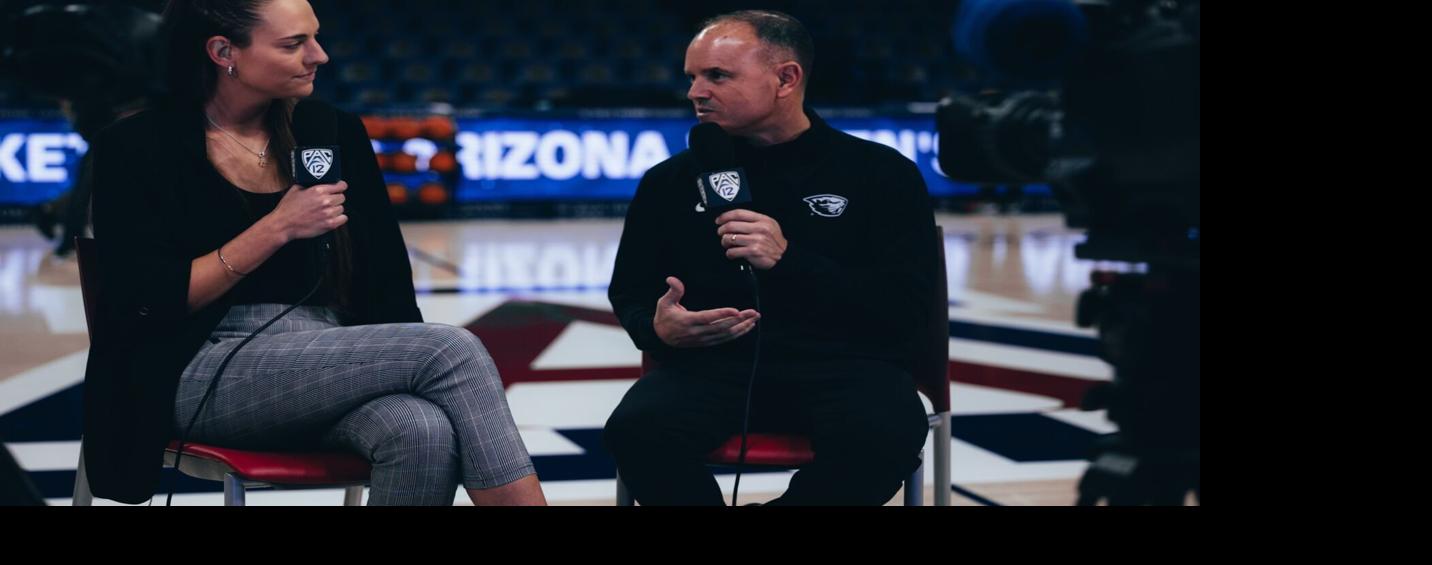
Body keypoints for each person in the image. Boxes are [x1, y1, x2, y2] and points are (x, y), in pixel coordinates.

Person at [83, 0, 544, 505]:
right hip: (192, 367)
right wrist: (276, 227)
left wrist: (388, 353)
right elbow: (145, 299)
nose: (319, 55)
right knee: (448, 348)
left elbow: (385, 284)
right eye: (293, 43)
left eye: (315, 37)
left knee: (422, 428)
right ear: (222, 51)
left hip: (327, 354)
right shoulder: (136, 147)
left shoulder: (331, 129)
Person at [603, 10, 939, 506]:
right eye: (692, 77)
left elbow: (904, 312)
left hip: (846, 366)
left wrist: (790, 261)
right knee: (635, 431)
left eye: (717, 75)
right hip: (712, 368)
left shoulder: (882, 174)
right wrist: (655, 330)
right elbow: (630, 290)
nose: (696, 91)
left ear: (786, 78)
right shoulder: (669, 181)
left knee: (887, 433)